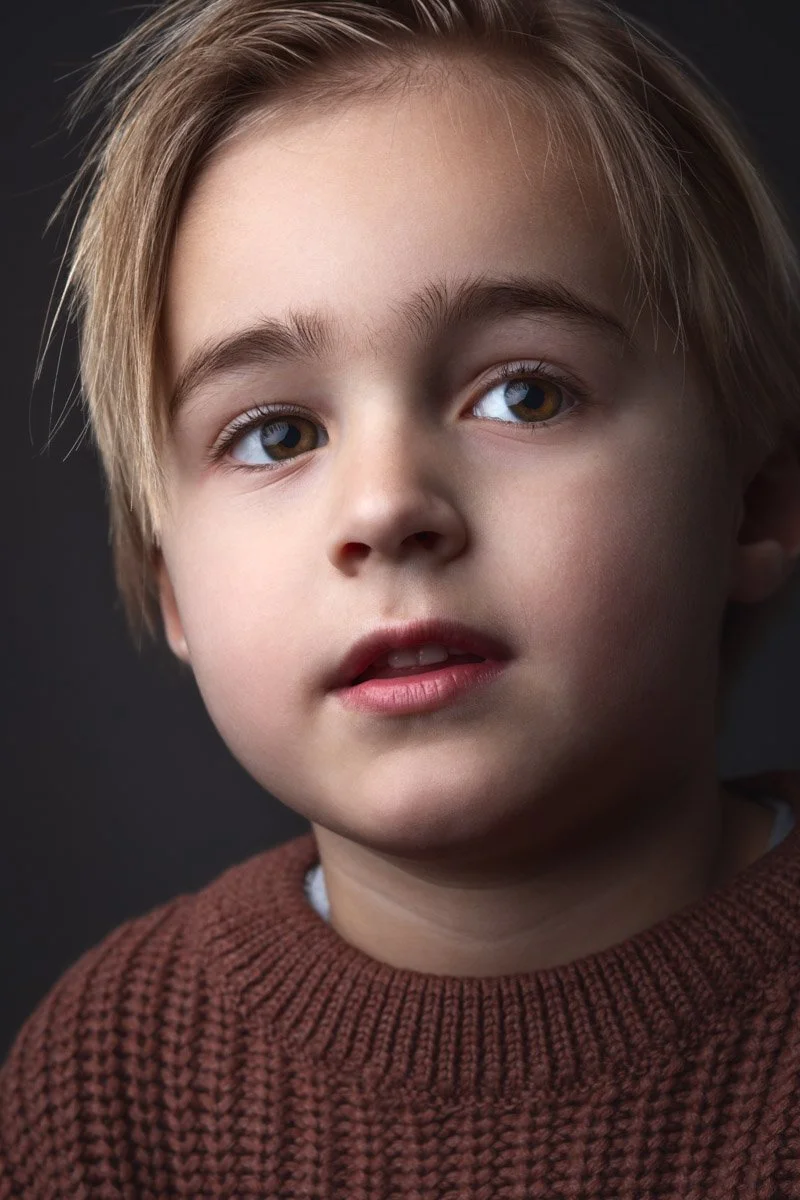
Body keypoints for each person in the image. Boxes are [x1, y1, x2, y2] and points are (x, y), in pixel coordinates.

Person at [2, 0, 800, 1194]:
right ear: (170, 587)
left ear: (753, 505)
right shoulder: (111, 1071)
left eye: (522, 395)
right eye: (275, 433)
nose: (385, 507)